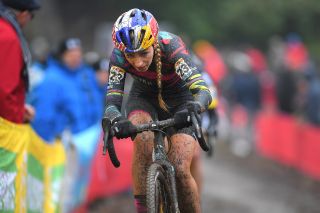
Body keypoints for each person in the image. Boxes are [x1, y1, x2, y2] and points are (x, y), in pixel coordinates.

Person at [102, 8, 218, 213]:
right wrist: (115, 119)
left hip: (180, 99)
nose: (138, 62)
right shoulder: (118, 55)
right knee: (143, 141)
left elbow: (202, 90)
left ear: (154, 42)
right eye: (131, 55)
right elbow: (112, 99)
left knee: (180, 168)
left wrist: (196, 106)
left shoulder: (170, 45)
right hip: (143, 98)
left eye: (143, 53)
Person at [0, 0, 41, 124]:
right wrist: (18, 114)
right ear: (23, 14)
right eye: (31, 16)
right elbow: (4, 91)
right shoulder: (8, 36)